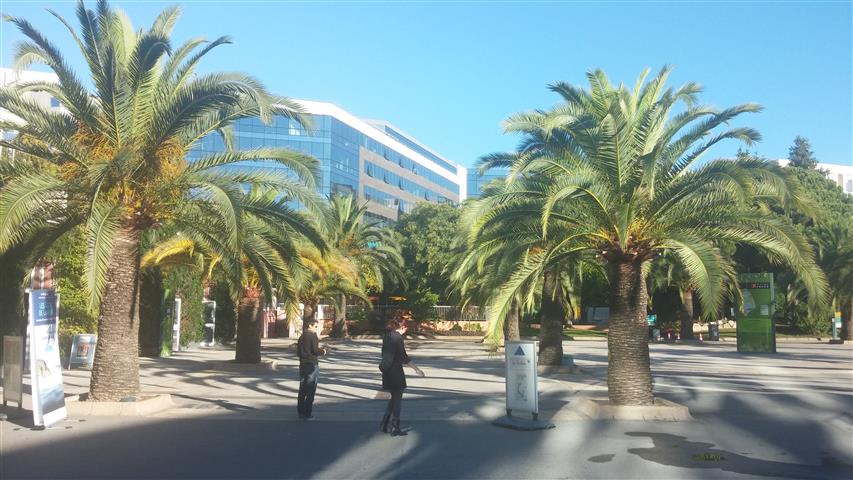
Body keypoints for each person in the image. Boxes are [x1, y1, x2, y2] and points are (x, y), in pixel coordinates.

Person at [379, 319, 410, 436]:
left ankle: (384, 423)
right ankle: (395, 426)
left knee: (394, 398)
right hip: (396, 372)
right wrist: (417, 369)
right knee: (397, 399)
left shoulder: (386, 336)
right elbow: (404, 357)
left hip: (387, 371)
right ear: (403, 328)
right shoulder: (398, 337)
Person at [297, 319, 326, 420]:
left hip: (303, 364)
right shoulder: (313, 336)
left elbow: (298, 352)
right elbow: (315, 350)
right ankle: (307, 413)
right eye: (316, 326)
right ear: (310, 325)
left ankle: (300, 412)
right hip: (312, 365)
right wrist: (323, 351)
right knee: (310, 389)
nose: (316, 329)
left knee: (302, 389)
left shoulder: (301, 336)